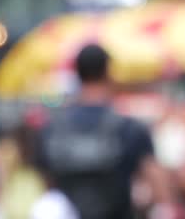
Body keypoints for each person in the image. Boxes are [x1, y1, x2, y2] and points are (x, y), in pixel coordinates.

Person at [36, 44, 175, 219]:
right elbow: (159, 188)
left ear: (77, 74)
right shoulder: (129, 128)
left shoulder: (52, 130)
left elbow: (49, 189)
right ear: (107, 72)